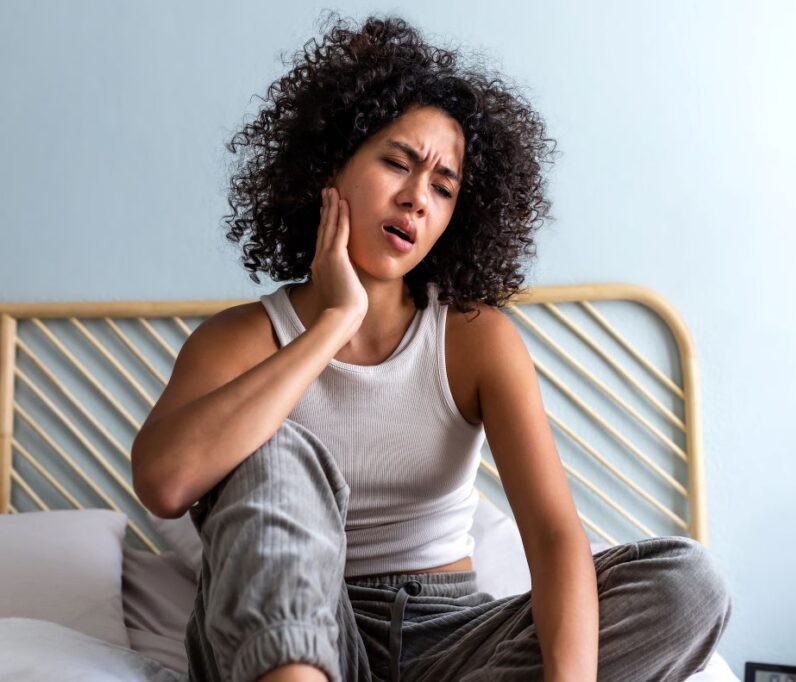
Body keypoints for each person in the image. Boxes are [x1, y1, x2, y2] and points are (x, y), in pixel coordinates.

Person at [131, 13, 730, 682]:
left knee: (689, 584)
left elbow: (556, 537)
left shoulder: (473, 338)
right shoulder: (239, 338)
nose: (417, 199)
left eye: (443, 188)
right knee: (273, 449)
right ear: (331, 163)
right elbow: (164, 483)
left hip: (449, 639)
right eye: (396, 162)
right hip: (294, 635)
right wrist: (334, 321)